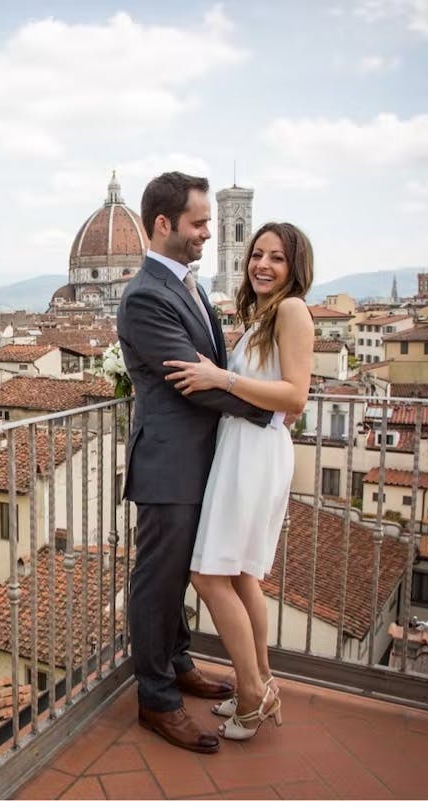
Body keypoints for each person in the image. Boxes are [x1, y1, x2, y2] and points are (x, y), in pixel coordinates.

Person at [116, 172, 274, 754]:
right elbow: (193, 380)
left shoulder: (186, 284)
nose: (208, 232)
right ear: (164, 224)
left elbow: (211, 366)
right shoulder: (146, 295)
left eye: (211, 222)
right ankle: (156, 699)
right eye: (199, 223)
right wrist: (269, 410)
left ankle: (178, 662)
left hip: (199, 461)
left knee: (184, 572)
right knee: (157, 583)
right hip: (169, 465)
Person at [164, 221, 315, 740]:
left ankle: (251, 693)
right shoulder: (264, 316)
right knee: (242, 575)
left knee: (208, 575)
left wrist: (220, 377)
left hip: (254, 454)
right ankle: (263, 682)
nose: (263, 265)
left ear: (295, 267)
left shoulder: (292, 311)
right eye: (257, 254)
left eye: (276, 257)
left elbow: (295, 396)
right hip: (247, 449)